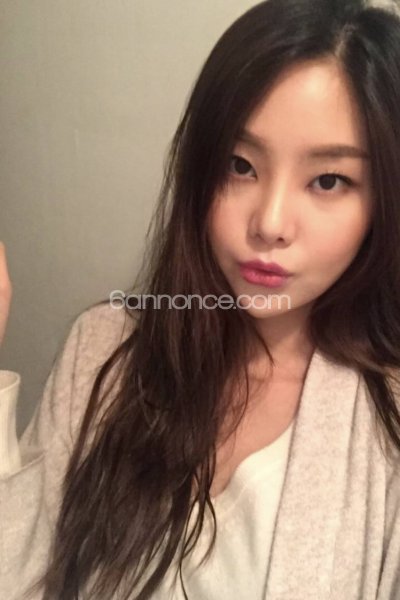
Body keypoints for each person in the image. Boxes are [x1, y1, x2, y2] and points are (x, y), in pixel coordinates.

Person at [1, 0, 400, 598]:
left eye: (328, 180)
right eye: (240, 165)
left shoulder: (386, 422)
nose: (270, 223)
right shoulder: (103, 352)